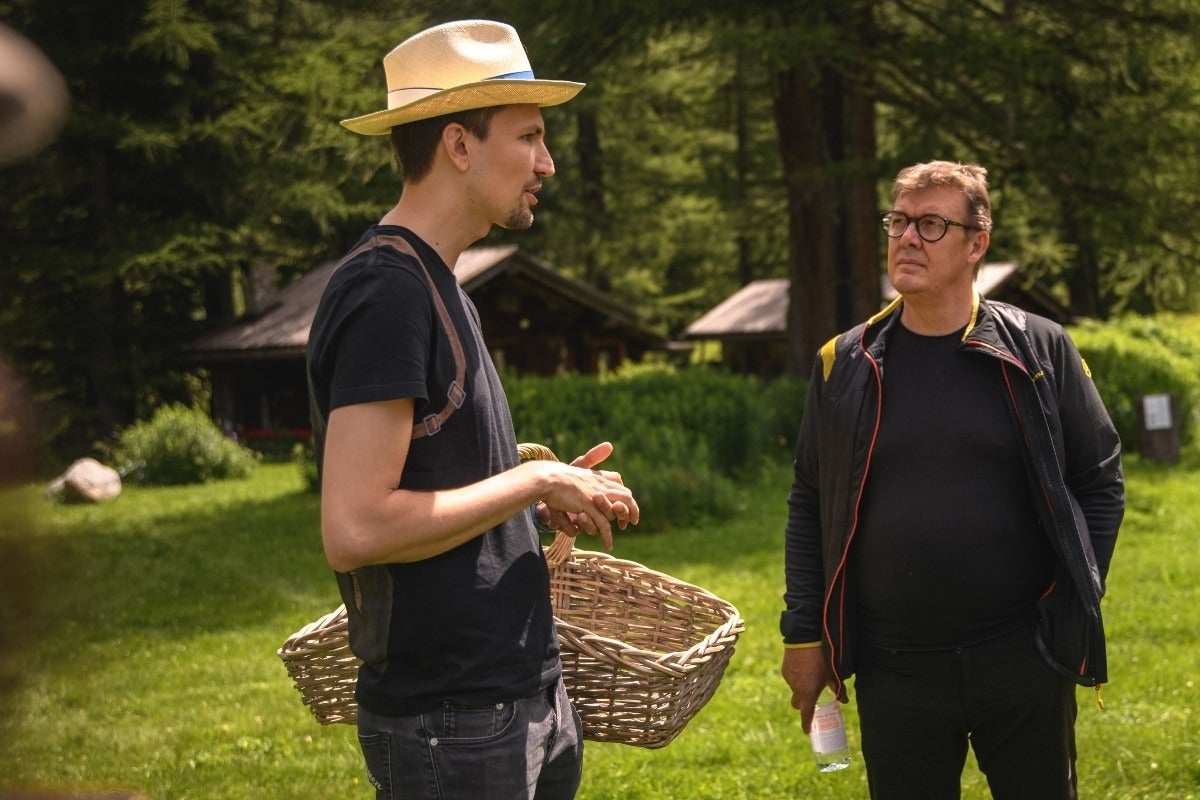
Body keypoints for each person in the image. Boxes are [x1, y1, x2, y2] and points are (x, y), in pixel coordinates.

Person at [306, 20, 639, 800]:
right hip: (449, 722)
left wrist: (536, 482)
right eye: (529, 138)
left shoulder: (441, 283)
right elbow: (355, 529)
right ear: (459, 146)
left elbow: (428, 468)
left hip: (515, 695)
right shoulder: (385, 291)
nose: (547, 164)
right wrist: (529, 486)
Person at [779, 160, 1124, 799]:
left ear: (976, 245)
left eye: (932, 224)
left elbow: (1100, 480)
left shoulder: (1039, 349)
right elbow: (809, 499)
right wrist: (804, 632)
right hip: (895, 666)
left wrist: (1072, 597)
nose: (908, 237)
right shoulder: (844, 363)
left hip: (1023, 656)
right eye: (899, 221)